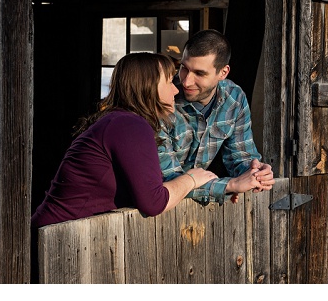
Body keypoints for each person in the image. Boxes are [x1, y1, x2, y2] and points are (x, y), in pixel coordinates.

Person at [32, 53, 218, 228]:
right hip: (54, 240)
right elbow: (154, 202)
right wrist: (192, 179)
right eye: (169, 81)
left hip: (63, 234)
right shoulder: (129, 125)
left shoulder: (121, 121)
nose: (176, 90)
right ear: (148, 86)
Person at [159, 29, 274, 204]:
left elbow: (241, 156)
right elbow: (166, 179)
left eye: (199, 73)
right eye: (184, 68)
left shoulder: (234, 99)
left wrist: (255, 173)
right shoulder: (162, 99)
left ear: (223, 73)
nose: (186, 81)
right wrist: (230, 185)